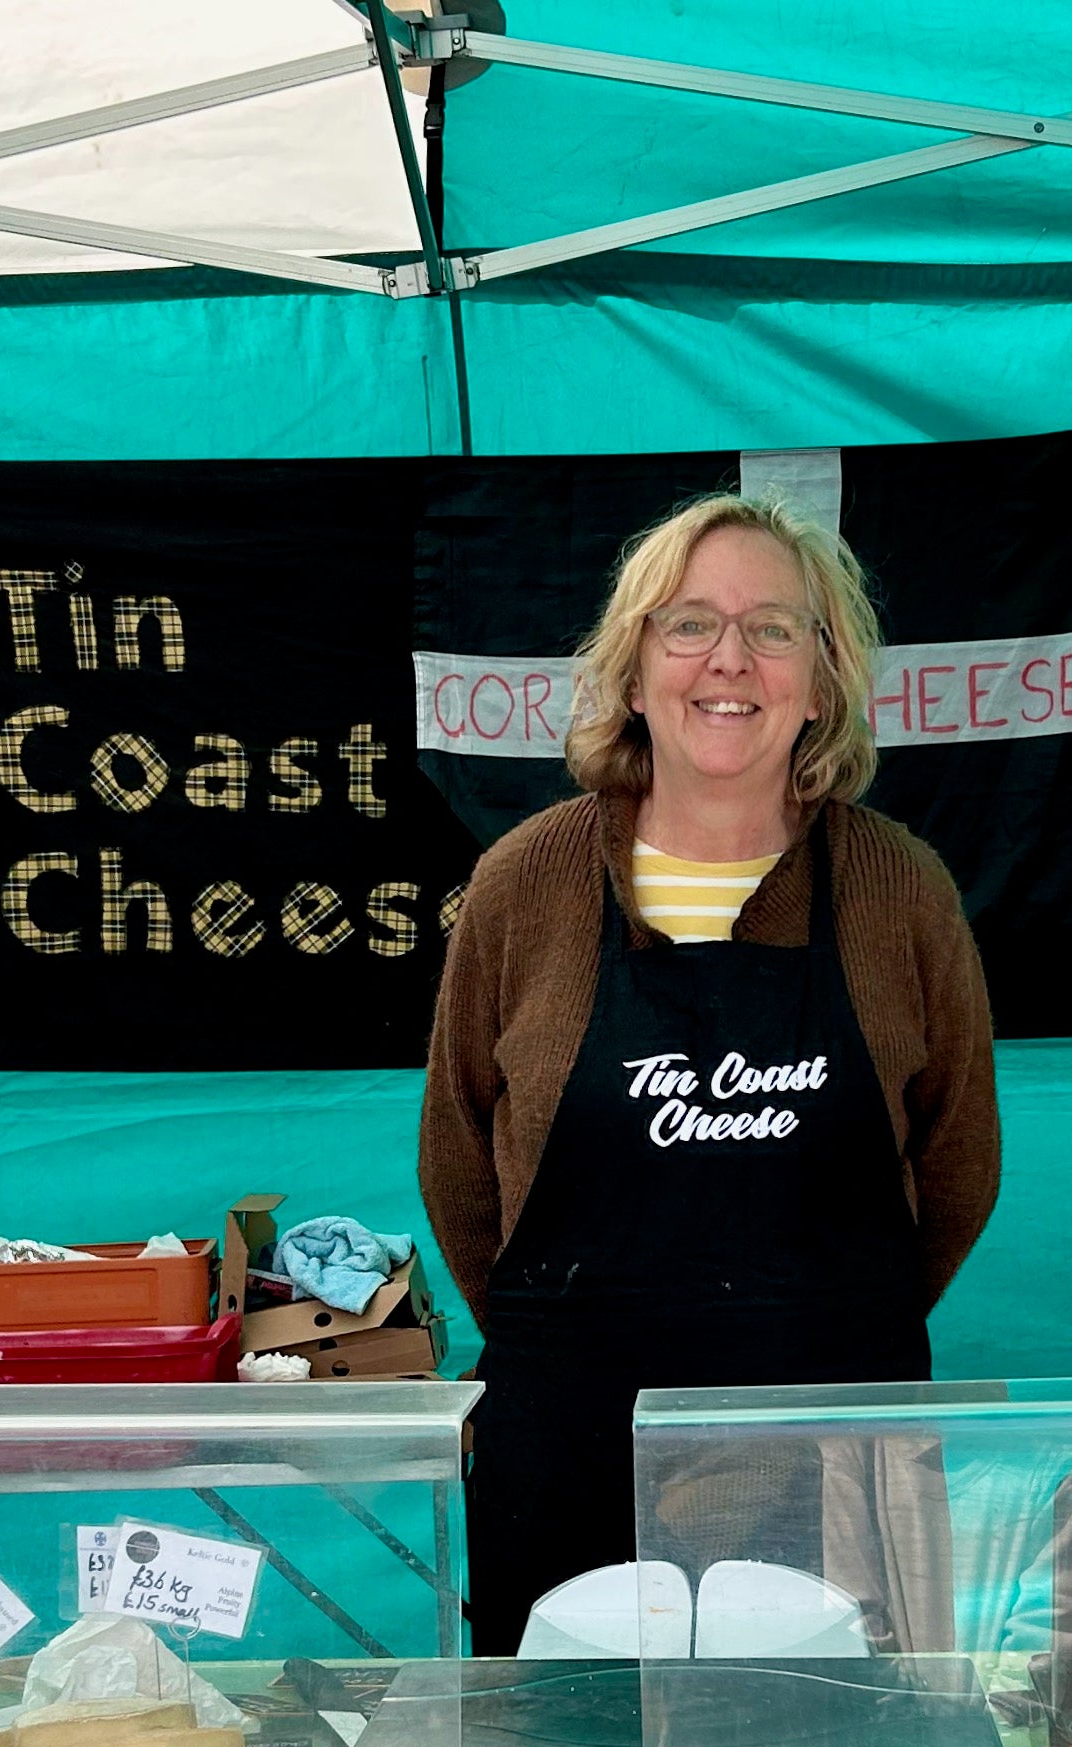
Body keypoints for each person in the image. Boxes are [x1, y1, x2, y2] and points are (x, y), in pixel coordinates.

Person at [420, 493, 1002, 1653]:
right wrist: (575, 1352)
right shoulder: (521, 885)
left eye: (773, 629)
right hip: (567, 1464)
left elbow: (956, 1165)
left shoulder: (900, 888)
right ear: (633, 670)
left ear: (821, 676)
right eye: (687, 625)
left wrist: (823, 1337)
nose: (727, 659)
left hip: (833, 1470)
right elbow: (458, 1165)